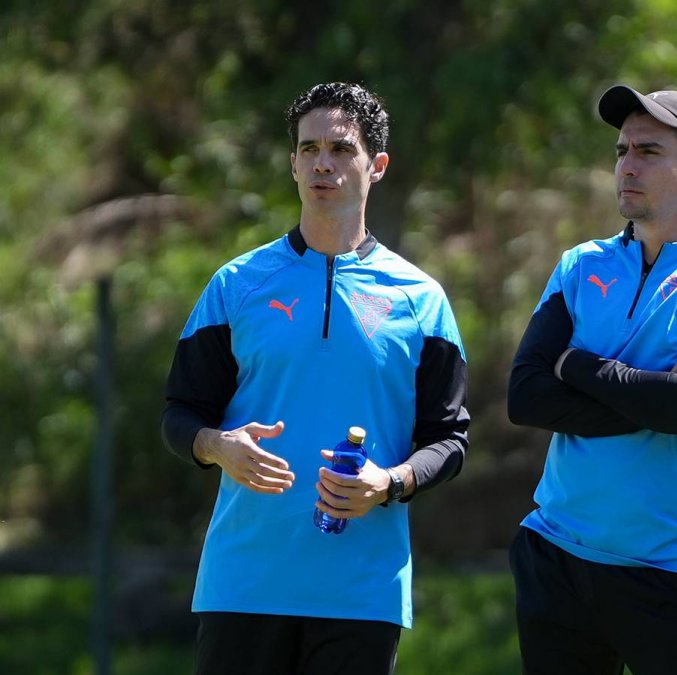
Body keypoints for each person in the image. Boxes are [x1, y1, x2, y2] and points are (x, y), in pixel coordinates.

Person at [161, 82, 469, 675]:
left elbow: (450, 439)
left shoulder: (421, 299)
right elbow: (180, 413)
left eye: (340, 148)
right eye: (308, 149)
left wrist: (391, 482)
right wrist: (216, 446)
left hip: (363, 591)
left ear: (376, 166)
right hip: (244, 583)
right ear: (292, 163)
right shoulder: (236, 285)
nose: (322, 163)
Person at [506, 85, 677, 674]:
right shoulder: (581, 265)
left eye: (649, 152)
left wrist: (577, 366)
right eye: (622, 150)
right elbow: (525, 397)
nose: (627, 165)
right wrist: (657, 386)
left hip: (673, 568)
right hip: (556, 555)